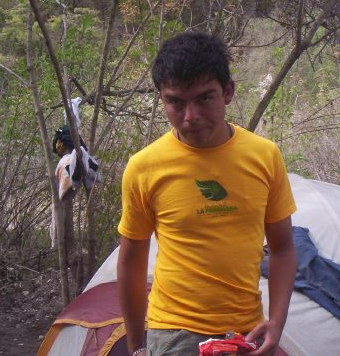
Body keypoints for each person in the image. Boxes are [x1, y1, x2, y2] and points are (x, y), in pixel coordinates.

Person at [117, 32, 297, 356]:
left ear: (227, 92)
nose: (191, 116)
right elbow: (131, 261)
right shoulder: (144, 167)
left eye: (204, 99)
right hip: (174, 335)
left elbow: (283, 248)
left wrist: (277, 321)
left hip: (247, 332)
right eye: (175, 101)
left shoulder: (264, 156)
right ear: (162, 99)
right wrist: (135, 347)